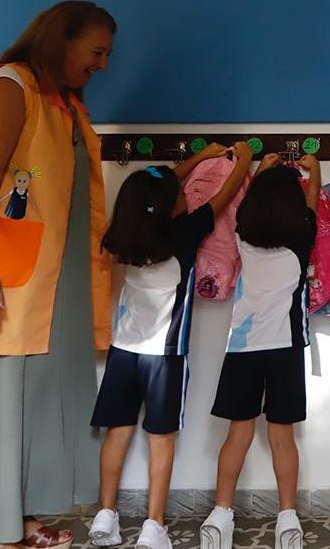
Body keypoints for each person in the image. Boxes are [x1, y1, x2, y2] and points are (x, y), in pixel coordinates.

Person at [0, 1, 116, 548]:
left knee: (32, 400)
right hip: (6, 277)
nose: (104, 64)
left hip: (48, 283)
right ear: (61, 40)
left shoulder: (61, 103)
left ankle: (17, 518)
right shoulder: (10, 86)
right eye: (97, 51)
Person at [88, 142, 252, 548]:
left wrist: (198, 158)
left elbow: (154, 190)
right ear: (169, 207)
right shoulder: (183, 233)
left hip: (124, 353)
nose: (187, 194)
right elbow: (223, 196)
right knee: (161, 440)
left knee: (117, 434)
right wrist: (243, 160)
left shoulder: (131, 235)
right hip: (165, 359)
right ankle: (153, 526)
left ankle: (105, 516)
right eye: (182, 194)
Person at [199, 153, 320, 549]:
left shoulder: (242, 233)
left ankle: (220, 516)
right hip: (284, 348)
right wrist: (312, 167)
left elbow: (248, 201)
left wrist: (263, 168)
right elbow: (312, 198)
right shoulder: (302, 235)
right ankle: (287, 522)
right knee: (282, 438)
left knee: (237, 435)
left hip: (242, 348)